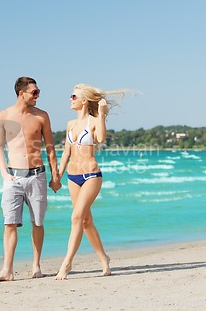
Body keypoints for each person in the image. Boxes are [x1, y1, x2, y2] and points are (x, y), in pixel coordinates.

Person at [0, 76, 62, 283]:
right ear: (22, 93)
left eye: (38, 92)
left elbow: (50, 148)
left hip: (37, 175)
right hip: (13, 177)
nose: (38, 96)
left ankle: (36, 266)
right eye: (34, 92)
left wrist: (55, 176)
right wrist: (4, 174)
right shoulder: (3, 115)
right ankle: (7, 270)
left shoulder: (42, 116)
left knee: (37, 223)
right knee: (9, 223)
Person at [55, 83, 126, 280]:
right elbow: (66, 152)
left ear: (84, 100)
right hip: (72, 177)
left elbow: (101, 138)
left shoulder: (94, 121)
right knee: (85, 222)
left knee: (76, 218)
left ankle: (66, 263)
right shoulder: (70, 124)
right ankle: (104, 258)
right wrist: (57, 177)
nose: (71, 99)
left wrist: (102, 114)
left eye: (74, 96)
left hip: (91, 176)